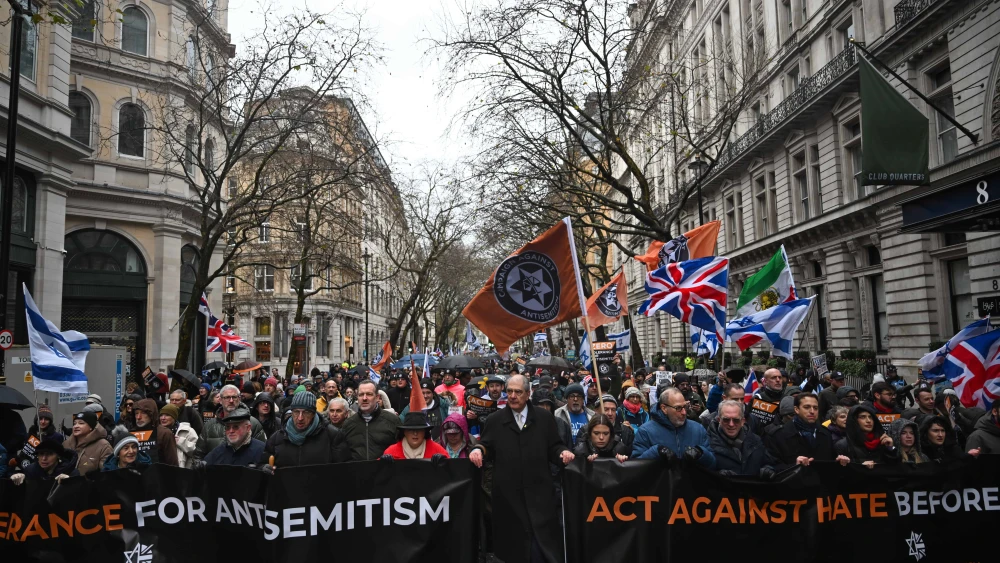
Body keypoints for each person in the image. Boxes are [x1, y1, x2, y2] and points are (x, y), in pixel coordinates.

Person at [469, 375, 573, 563]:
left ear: (528, 394)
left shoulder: (544, 418)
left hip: (539, 497)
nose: (513, 396)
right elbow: (486, 445)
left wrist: (563, 453)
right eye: (509, 391)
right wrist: (477, 449)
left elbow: (554, 447)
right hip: (508, 500)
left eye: (518, 392)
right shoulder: (495, 420)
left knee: (540, 551)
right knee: (512, 551)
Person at [631, 388, 716, 469]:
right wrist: (656, 452)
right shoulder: (645, 431)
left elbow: (713, 464)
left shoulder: (698, 429)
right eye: (678, 408)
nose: (684, 412)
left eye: (685, 407)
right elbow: (636, 466)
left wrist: (701, 454)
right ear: (664, 408)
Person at [262, 391, 350, 468]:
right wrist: (264, 467)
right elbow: (262, 463)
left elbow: (343, 469)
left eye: (306, 412)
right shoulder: (278, 437)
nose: (300, 418)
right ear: (291, 412)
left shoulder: (332, 435)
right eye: (296, 412)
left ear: (313, 414)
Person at [763, 394, 851, 470]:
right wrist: (794, 465)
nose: (812, 411)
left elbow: (830, 461)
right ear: (796, 409)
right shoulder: (778, 435)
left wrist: (838, 461)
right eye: (807, 407)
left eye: (815, 408)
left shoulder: (825, 433)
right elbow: (770, 466)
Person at [195, 384, 266, 460]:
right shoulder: (210, 426)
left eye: (234, 397)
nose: (231, 401)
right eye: (227, 397)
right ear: (221, 400)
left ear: (239, 399)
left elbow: (263, 454)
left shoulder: (252, 423)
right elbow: (198, 455)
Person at [707, 400, 772, 477]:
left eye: (736, 420)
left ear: (742, 421)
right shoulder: (708, 443)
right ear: (719, 420)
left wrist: (767, 469)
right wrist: (718, 476)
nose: (731, 424)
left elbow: (768, 462)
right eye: (726, 420)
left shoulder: (756, 440)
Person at [341, 380, 401, 461]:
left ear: (377, 397)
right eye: (361, 395)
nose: (364, 398)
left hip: (384, 472)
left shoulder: (392, 421)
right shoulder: (348, 424)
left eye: (369, 394)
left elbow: (401, 450)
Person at [834, 404, 899, 467]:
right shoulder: (843, 445)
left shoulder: (883, 441)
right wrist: (860, 466)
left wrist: (891, 448)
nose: (868, 421)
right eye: (863, 417)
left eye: (871, 417)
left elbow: (895, 467)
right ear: (854, 420)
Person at [381, 410, 449, 460]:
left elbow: (451, 471)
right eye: (411, 430)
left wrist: (444, 462)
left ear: (424, 432)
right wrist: (382, 464)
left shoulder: (437, 450)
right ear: (404, 432)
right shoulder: (391, 452)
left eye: (419, 430)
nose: (415, 433)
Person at [128, 399, 179, 465]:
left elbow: (172, 463)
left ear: (151, 414)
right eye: (136, 413)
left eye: (143, 413)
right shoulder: (129, 434)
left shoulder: (164, 433)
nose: (138, 417)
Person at [8, 438, 78, 484]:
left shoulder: (71, 471)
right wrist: (18, 478)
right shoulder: (31, 470)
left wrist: (70, 482)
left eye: (49, 454)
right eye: (41, 454)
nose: (44, 458)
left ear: (58, 456)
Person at [62, 411, 112, 475]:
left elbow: (107, 474)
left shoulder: (103, 446)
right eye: (74, 423)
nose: (76, 426)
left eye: (81, 423)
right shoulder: (65, 444)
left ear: (91, 427)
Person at [17, 405, 64, 471]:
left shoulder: (56, 436)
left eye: (46, 419)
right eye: (40, 418)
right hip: (29, 470)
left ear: (50, 421)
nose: (43, 421)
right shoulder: (30, 434)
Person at [746, 368, 789, 436]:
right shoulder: (758, 399)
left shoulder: (787, 399)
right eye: (773, 378)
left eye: (780, 377)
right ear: (765, 381)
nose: (778, 380)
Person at [159, 404, 199, 468]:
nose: (163, 418)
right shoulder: (157, 432)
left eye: (167, 415)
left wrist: (180, 441)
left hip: (185, 472)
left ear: (174, 417)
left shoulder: (188, 431)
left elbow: (197, 452)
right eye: (161, 415)